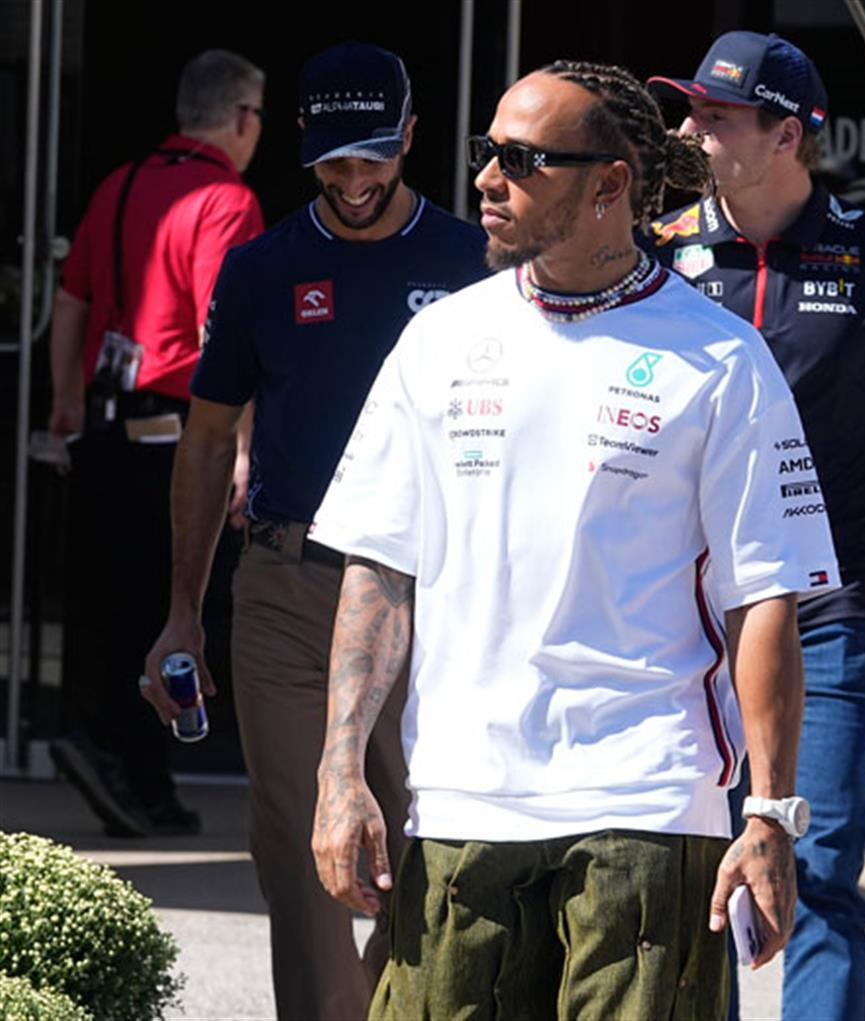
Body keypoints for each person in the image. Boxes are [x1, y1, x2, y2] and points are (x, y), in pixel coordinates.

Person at [309, 61, 841, 1018]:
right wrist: (341, 768)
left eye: (521, 160)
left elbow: (763, 596)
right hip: (461, 801)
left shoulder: (722, 358)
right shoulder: (438, 340)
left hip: (646, 805)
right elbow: (379, 567)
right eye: (486, 152)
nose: (486, 179)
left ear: (610, 185)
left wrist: (767, 812)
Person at [140, 41, 487, 1020]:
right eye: (334, 158)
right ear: (303, 143)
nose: (354, 177)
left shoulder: (474, 262)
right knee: (302, 859)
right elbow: (207, 442)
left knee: (439, 852)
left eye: (374, 153)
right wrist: (181, 612)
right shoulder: (262, 268)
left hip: (432, 591)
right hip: (288, 584)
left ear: (410, 136)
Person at [646, 31, 865, 1020]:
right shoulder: (658, 250)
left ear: (786, 135)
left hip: (827, 611)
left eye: (716, 115)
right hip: (685, 619)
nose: (689, 130)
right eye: (690, 109)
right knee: (695, 874)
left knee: (815, 871)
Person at [48, 49, 265, 837]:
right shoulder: (225, 199)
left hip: (107, 422)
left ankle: (108, 749)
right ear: (239, 117)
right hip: (179, 433)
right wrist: (241, 447)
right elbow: (225, 333)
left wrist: (67, 402)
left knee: (112, 599)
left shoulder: (121, 183)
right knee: (173, 609)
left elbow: (69, 301)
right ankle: (135, 769)